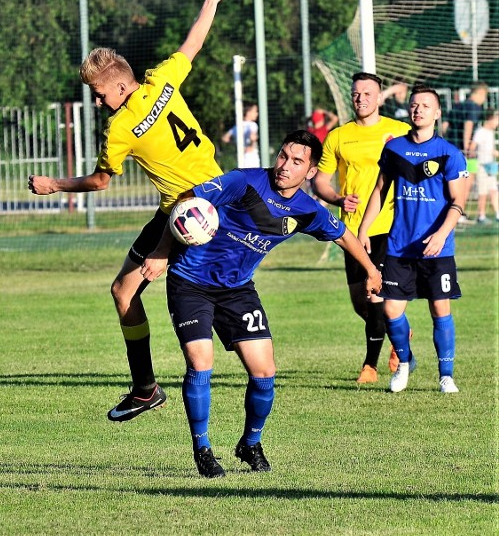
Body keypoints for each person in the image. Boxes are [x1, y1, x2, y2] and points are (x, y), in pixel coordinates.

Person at [28, 0, 234, 422]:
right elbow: (193, 43)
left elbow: (101, 183)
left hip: (186, 211)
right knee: (128, 288)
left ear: (119, 87)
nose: (98, 103)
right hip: (216, 195)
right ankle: (147, 388)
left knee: (137, 291)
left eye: (99, 95)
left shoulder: (118, 130)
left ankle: (148, 387)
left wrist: (54, 185)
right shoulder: (160, 81)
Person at [140, 130, 381, 477]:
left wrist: (371, 270)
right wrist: (162, 250)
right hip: (191, 283)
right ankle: (203, 449)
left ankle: (250, 443)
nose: (284, 165)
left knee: (265, 372)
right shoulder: (245, 181)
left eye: (297, 161)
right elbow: (187, 199)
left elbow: (342, 234)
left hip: (238, 290)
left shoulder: (308, 210)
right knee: (200, 361)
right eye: (283, 155)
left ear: (311, 172)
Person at [357, 84, 468, 394]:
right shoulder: (394, 149)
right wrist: (364, 230)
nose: (418, 109)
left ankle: (446, 375)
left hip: (437, 248)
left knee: (440, 309)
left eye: (425, 105)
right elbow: (380, 191)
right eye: (414, 104)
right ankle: (404, 363)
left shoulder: (449, 153)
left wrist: (441, 234)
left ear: (437, 113)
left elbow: (459, 202)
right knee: (391, 310)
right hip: (399, 246)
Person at [311, 72, 411, 384]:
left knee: (374, 295)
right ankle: (399, 333)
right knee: (362, 305)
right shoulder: (339, 136)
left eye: (368, 93)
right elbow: (320, 181)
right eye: (356, 93)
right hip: (351, 231)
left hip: (388, 226)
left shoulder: (399, 132)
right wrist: (338, 198)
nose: (361, 98)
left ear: (379, 97)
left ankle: (370, 366)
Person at [444, 82, 489, 222]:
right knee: (465, 183)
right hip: (466, 152)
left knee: (451, 182)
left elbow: (445, 125)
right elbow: (468, 125)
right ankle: (459, 213)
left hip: (451, 148)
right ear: (481, 93)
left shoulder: (457, 106)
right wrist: (467, 147)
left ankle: (452, 212)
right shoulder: (474, 107)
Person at [472, 109, 499, 223]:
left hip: (490, 166)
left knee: (494, 190)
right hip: (482, 166)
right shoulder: (480, 131)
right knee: (482, 192)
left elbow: (492, 150)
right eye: (497, 120)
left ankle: (498, 214)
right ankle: (481, 216)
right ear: (490, 119)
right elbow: (473, 146)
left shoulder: (491, 133)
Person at [221, 103, 260, 168]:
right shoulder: (252, 125)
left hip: (240, 156)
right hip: (251, 157)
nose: (257, 114)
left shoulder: (237, 126)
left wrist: (236, 144)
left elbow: (224, 138)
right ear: (248, 112)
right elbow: (252, 137)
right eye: (255, 111)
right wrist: (251, 145)